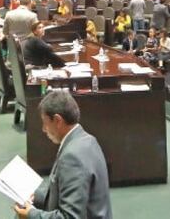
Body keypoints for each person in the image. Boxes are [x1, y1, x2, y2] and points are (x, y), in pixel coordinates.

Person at [14, 90, 112, 218]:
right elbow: (61, 193)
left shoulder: (72, 157)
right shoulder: (88, 140)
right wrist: (34, 194)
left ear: (57, 120)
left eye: (44, 122)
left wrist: (32, 214)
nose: (43, 129)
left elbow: (70, 216)